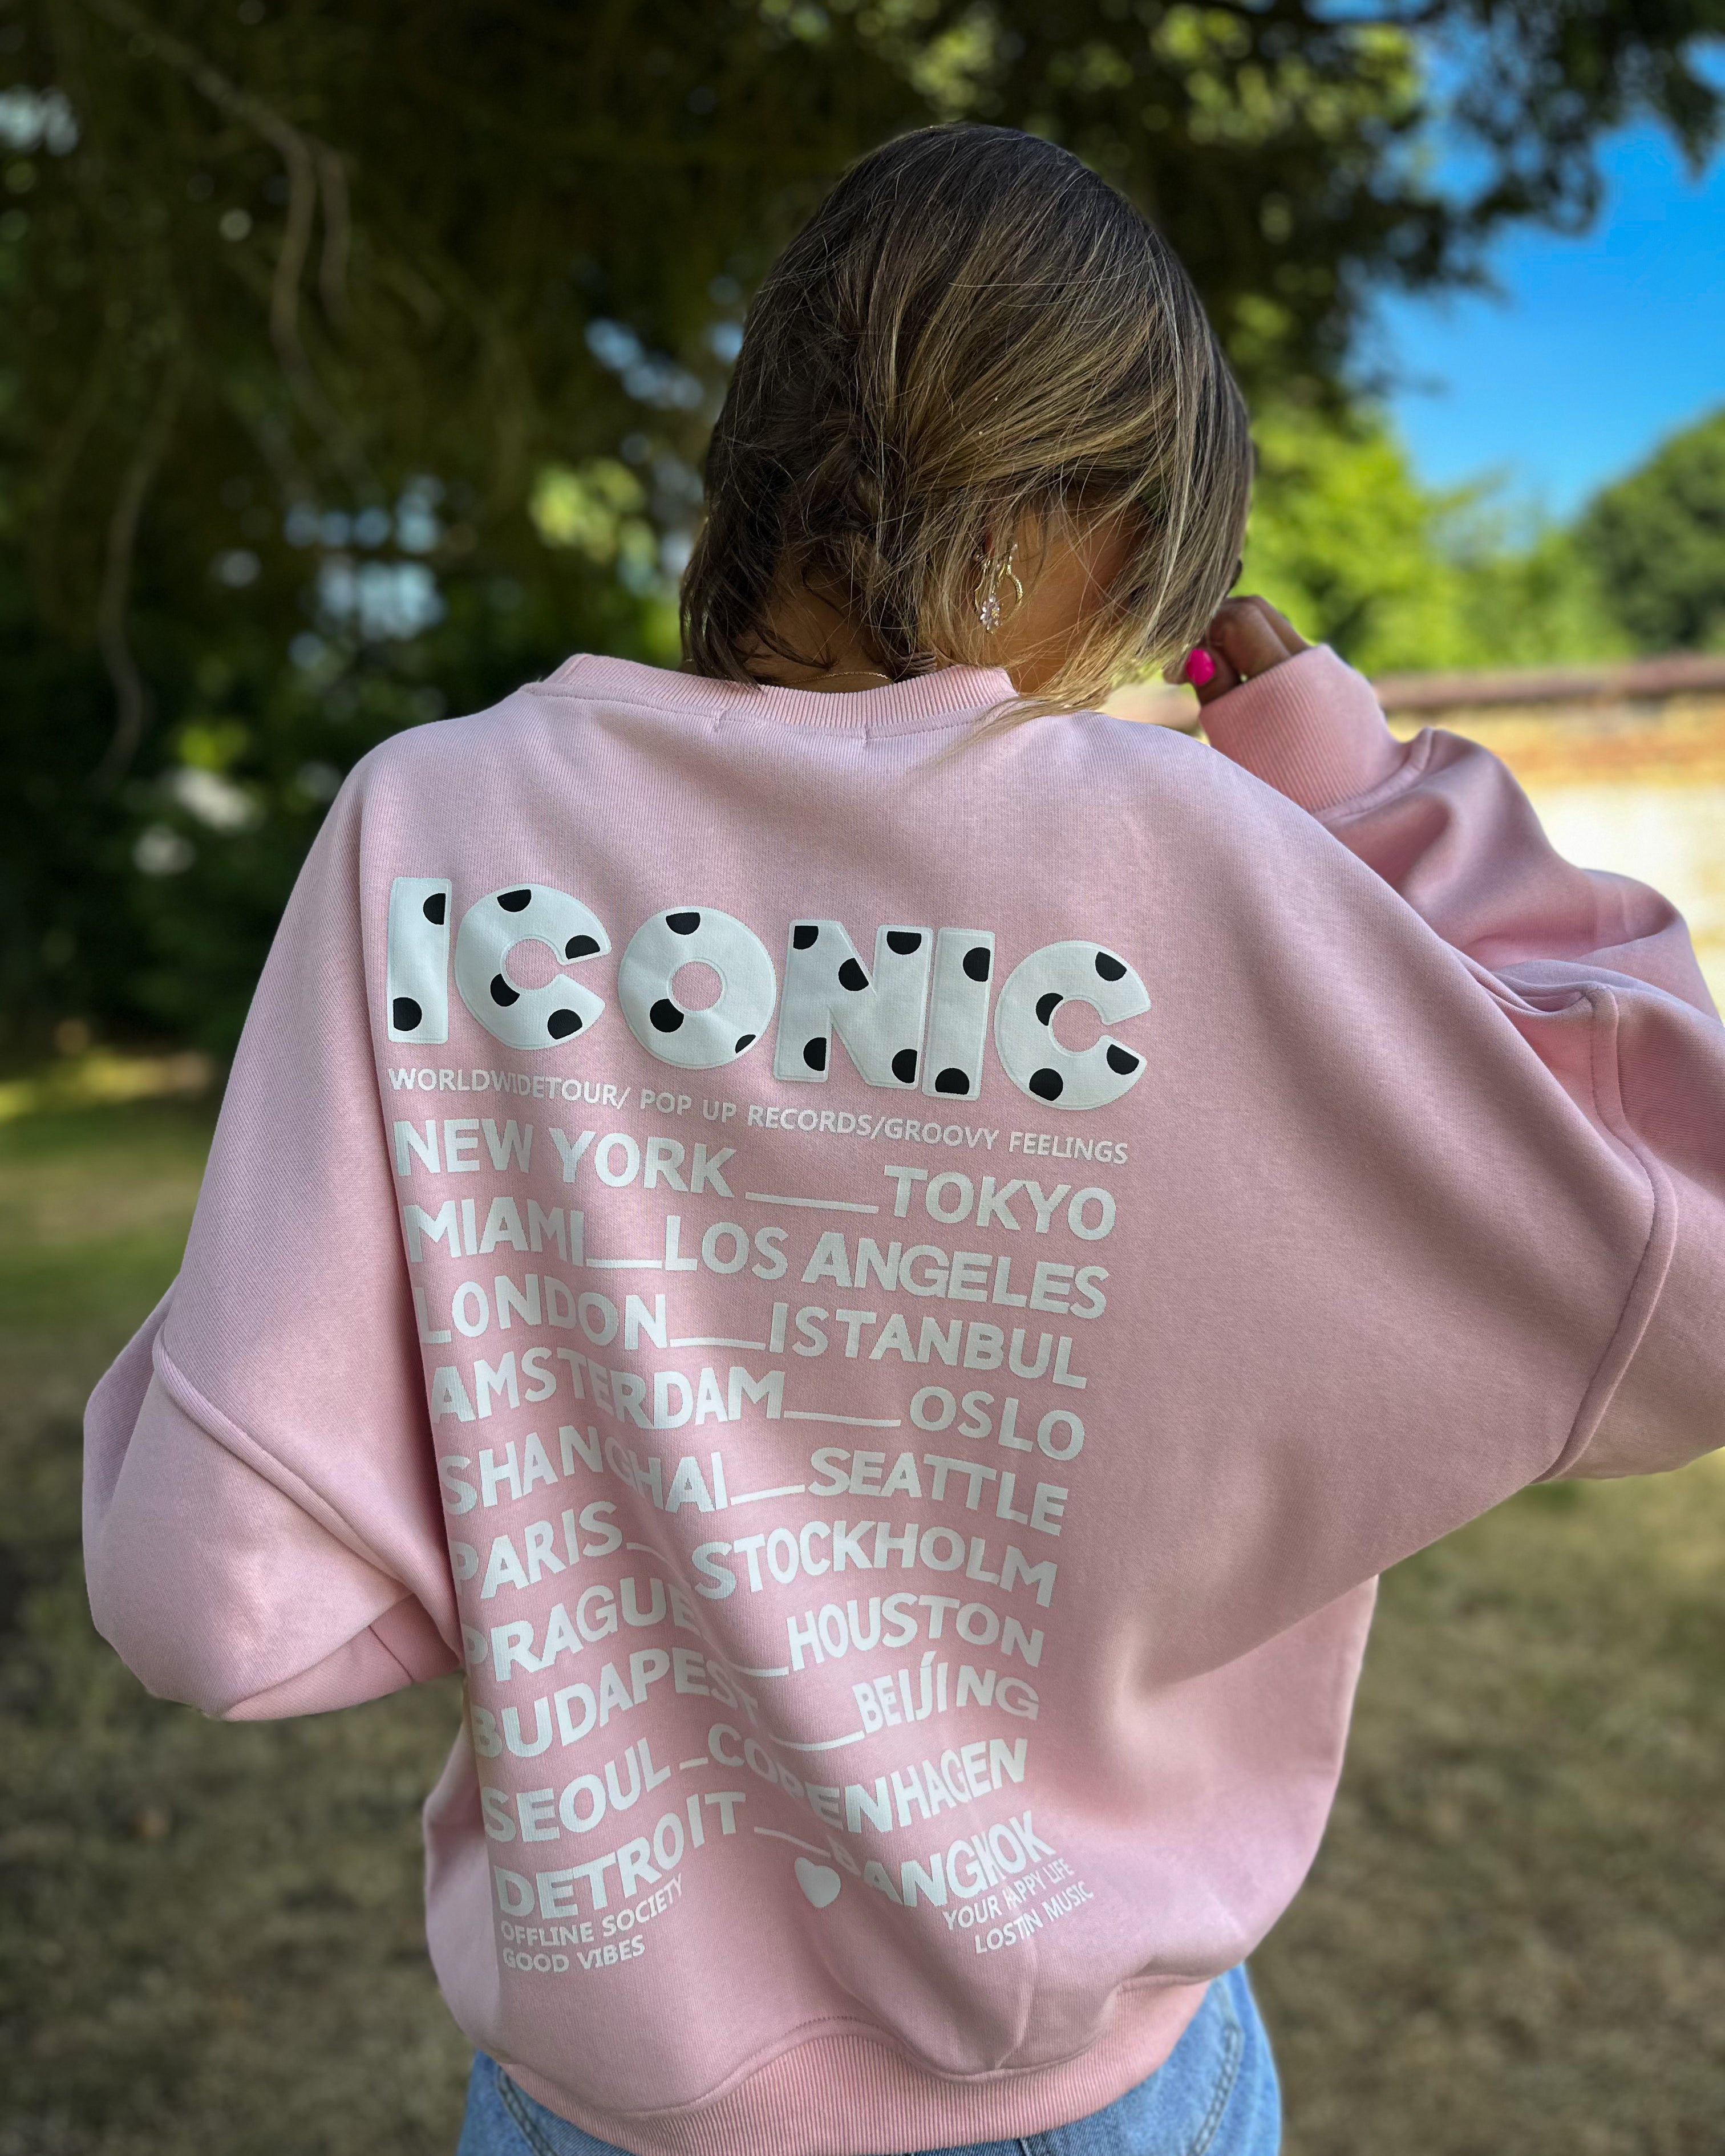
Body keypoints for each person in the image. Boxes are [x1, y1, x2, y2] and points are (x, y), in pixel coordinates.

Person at [82, 121, 1725, 2156]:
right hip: (1074, 2096)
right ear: (1106, 516)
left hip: (593, 2103)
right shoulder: (1194, 867)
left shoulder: (435, 831)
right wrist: (1362, 788)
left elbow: (211, 1595)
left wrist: (559, 1516)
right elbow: (1686, 1243)